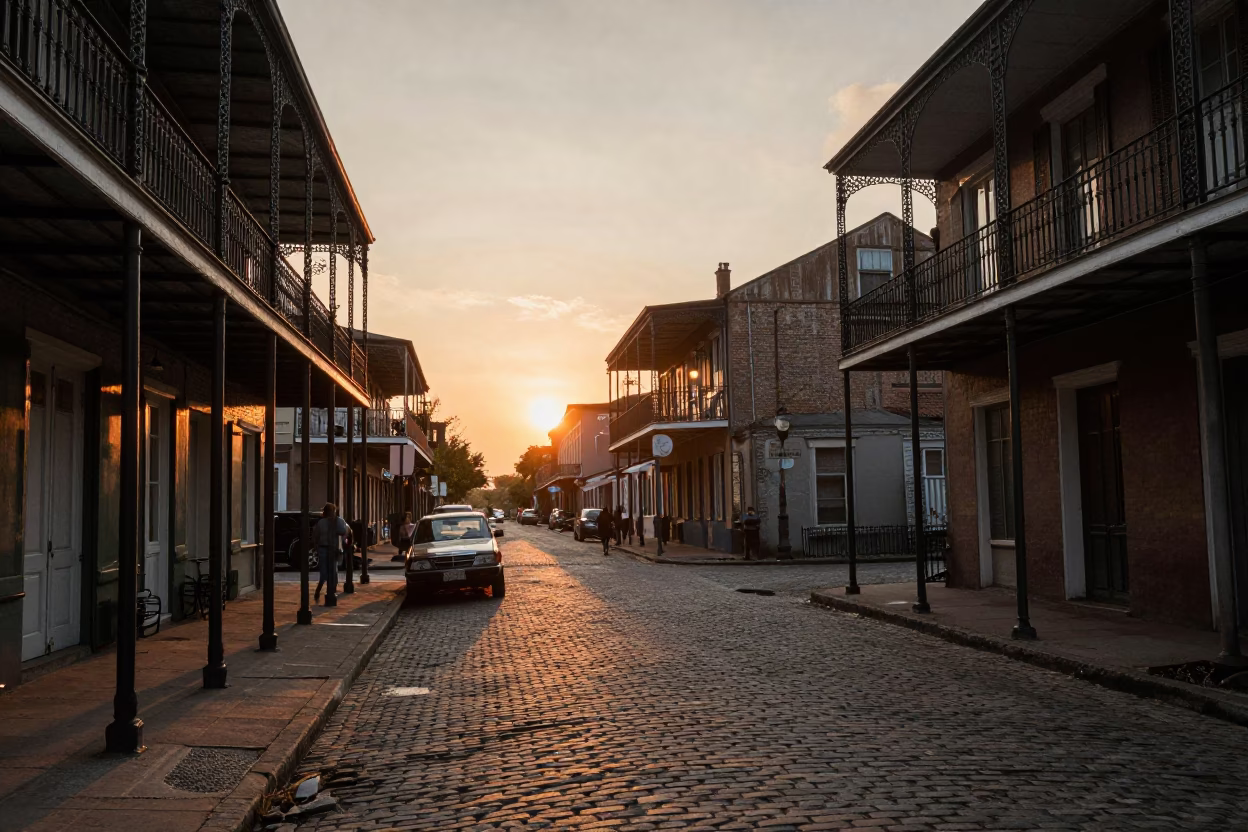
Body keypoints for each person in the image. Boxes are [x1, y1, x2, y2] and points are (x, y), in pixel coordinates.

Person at [314, 502, 351, 604]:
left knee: (333, 572)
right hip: (323, 548)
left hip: (333, 549)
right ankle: (319, 590)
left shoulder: (338, 521)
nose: (332, 513)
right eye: (331, 511)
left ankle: (331, 591)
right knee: (324, 573)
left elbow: (344, 530)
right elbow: (316, 536)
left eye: (333, 511)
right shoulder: (322, 522)